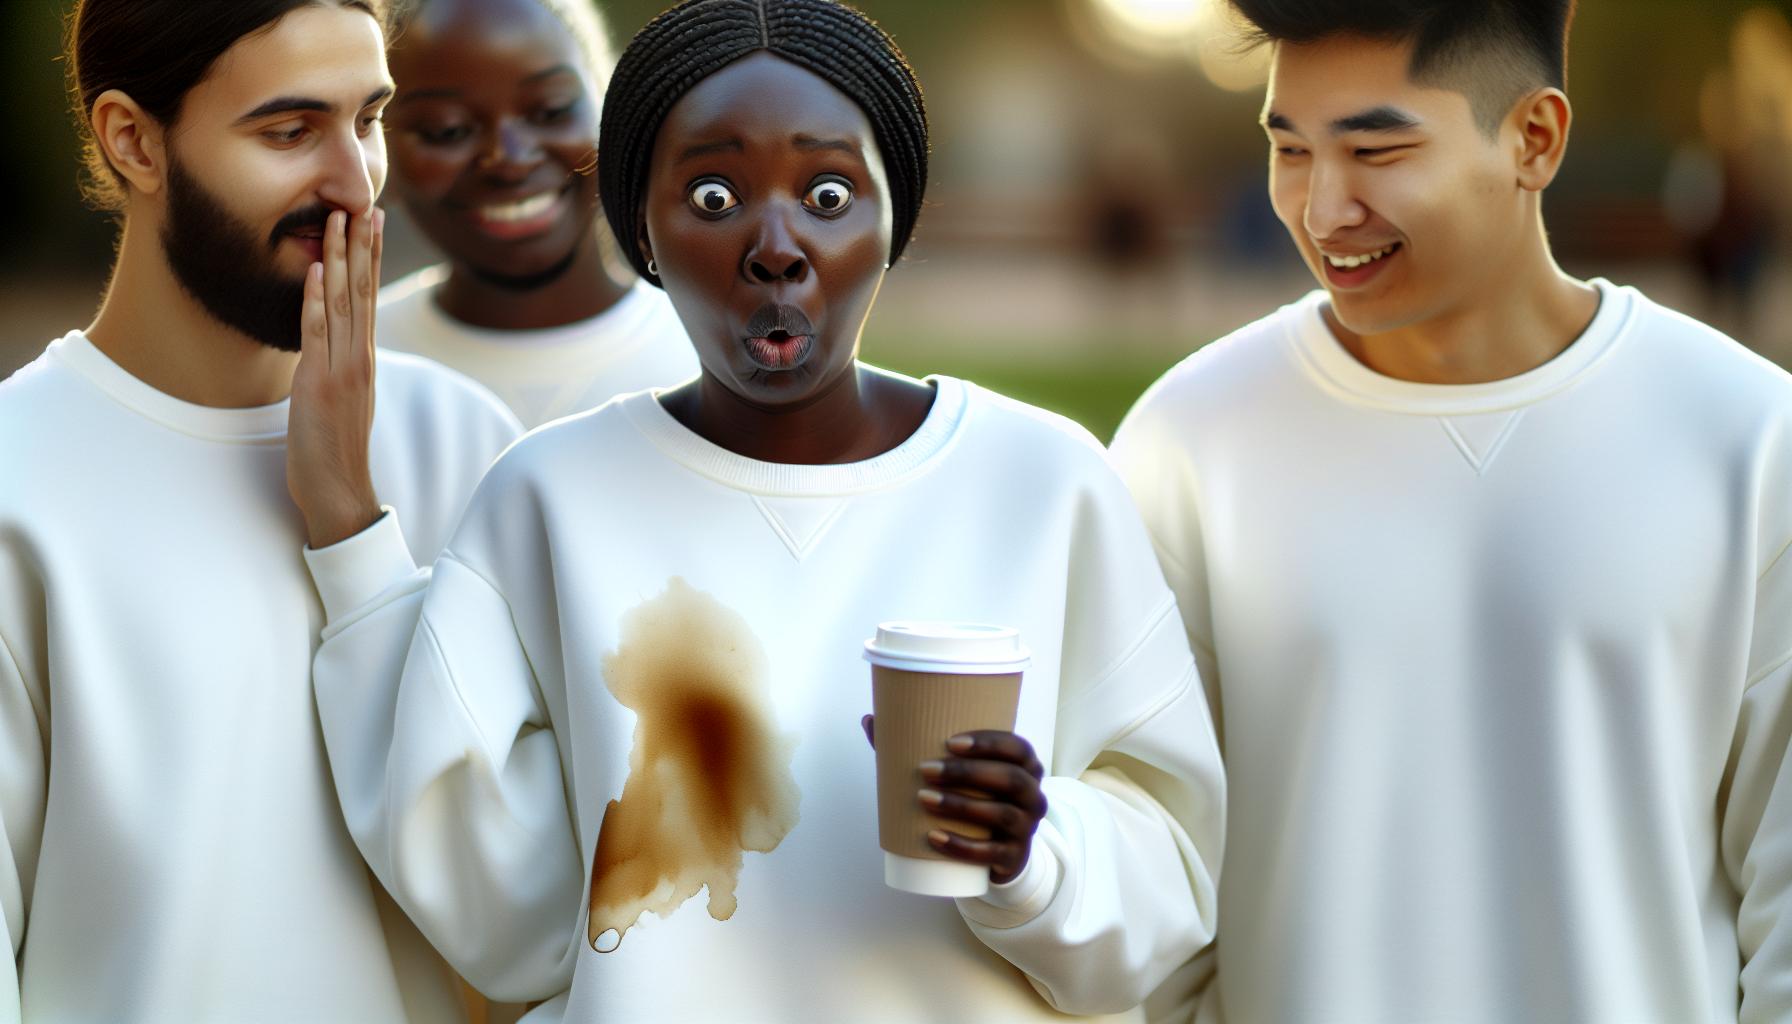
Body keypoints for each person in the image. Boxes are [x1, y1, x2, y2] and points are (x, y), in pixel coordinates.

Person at [295, 0, 1225, 1020]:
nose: (776, 243)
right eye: (711, 193)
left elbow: (1169, 873)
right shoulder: (547, 498)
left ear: (894, 219)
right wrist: (346, 530)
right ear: (639, 227)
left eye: (829, 193)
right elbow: (488, 902)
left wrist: (1033, 857)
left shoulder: (1046, 485)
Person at [1108, 1, 1792, 1021]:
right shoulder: (1189, 443)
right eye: (1290, 149)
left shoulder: (1748, 438)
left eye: (1376, 150)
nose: (1321, 207)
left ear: (1534, 139)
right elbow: (1140, 864)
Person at [0, 1, 521, 1019]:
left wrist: (356, 529)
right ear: (133, 141)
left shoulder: (473, 449)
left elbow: (544, 919)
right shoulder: (16, 479)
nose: (352, 181)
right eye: (289, 132)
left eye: (367, 119)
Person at [376, 0, 697, 429]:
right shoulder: (340, 362)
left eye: (551, 111)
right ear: (378, 151)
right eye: (447, 130)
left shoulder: (718, 354)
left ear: (611, 110)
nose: (510, 159)